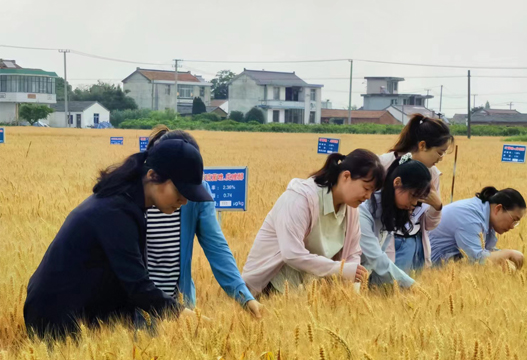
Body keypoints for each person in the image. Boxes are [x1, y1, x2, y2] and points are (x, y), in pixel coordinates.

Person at [24, 138, 209, 339]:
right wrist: (187, 316)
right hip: (57, 314)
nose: (184, 201)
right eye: (180, 191)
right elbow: (137, 286)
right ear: (152, 176)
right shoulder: (116, 211)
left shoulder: (127, 202)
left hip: (75, 310)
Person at [144, 127, 262, 318]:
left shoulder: (197, 194)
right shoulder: (138, 195)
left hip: (180, 307)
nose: (184, 198)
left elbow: (216, 246)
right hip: (137, 306)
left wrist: (245, 296)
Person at [242, 149, 385, 296]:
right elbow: (291, 254)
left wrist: (352, 296)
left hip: (308, 290)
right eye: (366, 188)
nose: (368, 196)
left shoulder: (351, 210)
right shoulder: (300, 198)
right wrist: (341, 270)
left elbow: (352, 255)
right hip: (269, 286)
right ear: (346, 176)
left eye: (372, 192)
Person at [380, 114, 453, 271]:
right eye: (440, 152)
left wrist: (437, 206)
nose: (441, 158)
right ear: (422, 145)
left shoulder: (432, 174)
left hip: (416, 245)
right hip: (386, 242)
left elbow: (429, 225)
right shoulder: (383, 165)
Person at [359, 155, 432, 287]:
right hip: (343, 279)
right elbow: (376, 259)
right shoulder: (363, 209)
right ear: (397, 183)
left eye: (418, 199)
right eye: (413, 196)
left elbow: (380, 260)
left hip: (361, 280)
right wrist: (412, 286)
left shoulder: (390, 212)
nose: (414, 203)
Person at [430, 187, 526, 267]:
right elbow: (477, 260)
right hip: (423, 267)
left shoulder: (486, 215)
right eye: (514, 219)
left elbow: (487, 251)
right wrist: (508, 254)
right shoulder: (470, 217)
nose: (513, 226)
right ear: (498, 209)